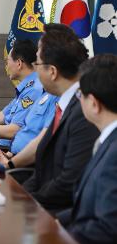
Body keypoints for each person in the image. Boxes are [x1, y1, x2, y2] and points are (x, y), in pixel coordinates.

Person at [15, 24, 99, 214]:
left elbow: (68, 182)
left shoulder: (84, 111)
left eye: (36, 64)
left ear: (52, 71)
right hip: (42, 202)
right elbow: (42, 171)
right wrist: (19, 196)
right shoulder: (64, 104)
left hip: (60, 215)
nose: (35, 71)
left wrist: (26, 204)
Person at [57, 55, 117, 243]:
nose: (78, 100)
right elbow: (87, 207)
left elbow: (108, 228)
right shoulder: (107, 140)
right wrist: (54, 221)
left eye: (79, 95)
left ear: (93, 103)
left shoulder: (114, 154)